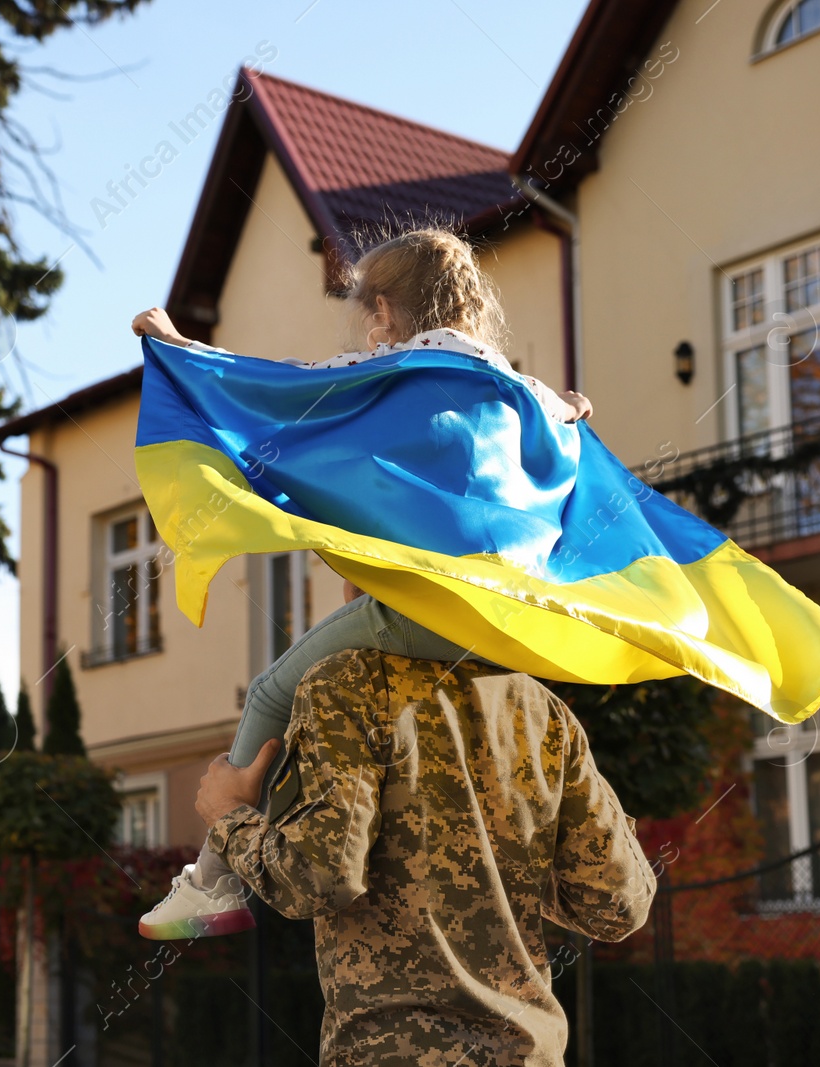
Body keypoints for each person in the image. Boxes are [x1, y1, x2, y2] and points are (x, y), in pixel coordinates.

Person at [134, 228, 593, 939]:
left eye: (367, 314)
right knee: (366, 651)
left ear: (383, 310)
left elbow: (275, 389)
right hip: (511, 615)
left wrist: (178, 349)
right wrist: (571, 407)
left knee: (270, 692)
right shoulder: (511, 385)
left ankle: (212, 884)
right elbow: (565, 416)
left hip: (442, 602)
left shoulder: (389, 373)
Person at [194, 642, 655, 1066]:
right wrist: (516, 862)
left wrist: (228, 816)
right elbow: (617, 905)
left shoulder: (345, 680)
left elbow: (319, 877)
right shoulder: (542, 710)